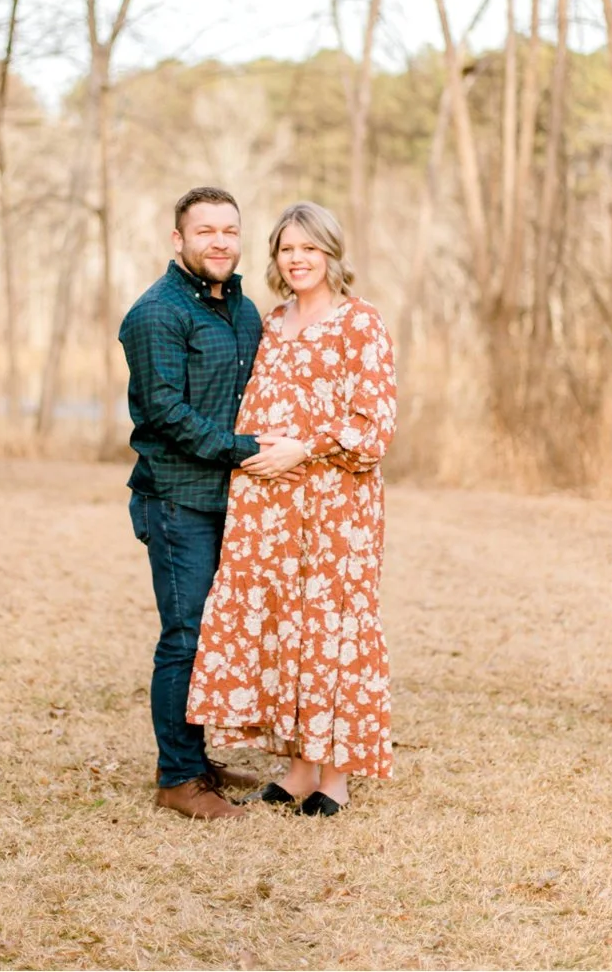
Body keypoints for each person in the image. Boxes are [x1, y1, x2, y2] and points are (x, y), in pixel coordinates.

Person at [187, 201, 399, 813]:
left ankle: (335, 775)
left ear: (332, 253)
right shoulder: (272, 322)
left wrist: (303, 449)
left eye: (310, 248)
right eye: (287, 249)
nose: (297, 259)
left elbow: (374, 425)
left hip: (335, 503)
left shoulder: (360, 323)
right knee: (288, 626)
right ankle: (300, 767)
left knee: (333, 625)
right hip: (270, 508)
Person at [117, 187, 307, 821]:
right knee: (185, 635)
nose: (220, 242)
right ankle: (178, 779)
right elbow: (166, 414)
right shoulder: (156, 313)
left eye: (229, 230)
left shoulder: (244, 311)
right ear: (179, 240)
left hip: (235, 501)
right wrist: (247, 449)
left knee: (217, 634)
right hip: (178, 499)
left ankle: (196, 761)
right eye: (205, 231)